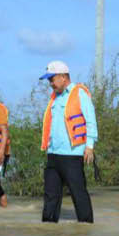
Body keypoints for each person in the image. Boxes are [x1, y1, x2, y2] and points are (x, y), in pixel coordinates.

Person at [39, 60, 97, 223]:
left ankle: (86, 228)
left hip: (73, 153)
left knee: (78, 193)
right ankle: (49, 230)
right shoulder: (54, 98)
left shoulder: (79, 94)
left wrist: (89, 147)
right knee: (50, 195)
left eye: (52, 79)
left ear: (63, 77)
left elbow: (91, 121)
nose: (50, 83)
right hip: (53, 153)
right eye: (49, 80)